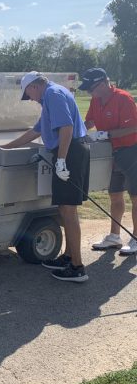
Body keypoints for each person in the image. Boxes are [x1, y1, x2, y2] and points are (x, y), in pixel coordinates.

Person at [2, 71, 90, 282]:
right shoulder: (51, 96)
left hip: (70, 152)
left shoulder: (53, 94)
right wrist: (6, 147)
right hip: (69, 152)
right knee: (64, 208)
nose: (31, 99)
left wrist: (61, 160)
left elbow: (67, 128)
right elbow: (36, 131)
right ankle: (69, 256)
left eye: (28, 94)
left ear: (34, 86)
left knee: (68, 210)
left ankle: (77, 267)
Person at [79, 67, 137, 254]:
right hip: (113, 153)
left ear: (103, 83)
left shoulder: (123, 98)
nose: (90, 93)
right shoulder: (96, 100)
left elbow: (133, 127)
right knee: (115, 194)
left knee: (135, 196)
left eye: (91, 88)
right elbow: (89, 122)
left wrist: (106, 134)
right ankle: (114, 236)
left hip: (132, 150)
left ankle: (136, 239)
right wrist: (77, 132)